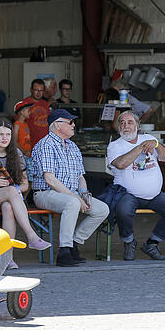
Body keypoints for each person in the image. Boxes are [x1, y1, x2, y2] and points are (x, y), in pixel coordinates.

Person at [32, 109, 108, 266]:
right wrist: (76, 198)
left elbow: (80, 176)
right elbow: (50, 179)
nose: (74, 125)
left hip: (71, 193)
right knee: (72, 203)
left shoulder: (73, 146)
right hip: (45, 193)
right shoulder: (45, 144)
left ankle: (74, 243)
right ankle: (64, 251)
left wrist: (84, 193)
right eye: (70, 122)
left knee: (102, 209)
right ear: (58, 125)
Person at [0, 117, 51, 269]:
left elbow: (24, 185)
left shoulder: (16, 154)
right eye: (0, 134)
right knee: (10, 191)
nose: (4, 138)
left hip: (10, 198)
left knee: (8, 206)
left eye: (7, 134)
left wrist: (12, 190)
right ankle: (32, 236)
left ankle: (7, 258)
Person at [108, 111, 165, 261]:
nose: (125, 126)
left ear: (137, 125)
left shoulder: (149, 138)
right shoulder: (115, 145)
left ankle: (152, 243)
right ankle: (128, 242)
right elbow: (121, 164)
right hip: (129, 194)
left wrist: (156, 144)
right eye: (122, 123)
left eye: (129, 122)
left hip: (154, 194)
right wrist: (140, 148)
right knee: (123, 210)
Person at [24, 78, 50, 147]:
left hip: (45, 144)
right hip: (30, 144)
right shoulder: (24, 103)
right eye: (36, 90)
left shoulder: (45, 104)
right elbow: (18, 124)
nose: (39, 93)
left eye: (41, 90)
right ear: (31, 90)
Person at [13, 99, 34, 178]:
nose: (30, 112)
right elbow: (14, 141)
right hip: (21, 155)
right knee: (24, 177)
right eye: (28, 110)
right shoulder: (17, 125)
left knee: (30, 178)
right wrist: (24, 151)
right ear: (21, 112)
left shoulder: (25, 124)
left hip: (28, 155)